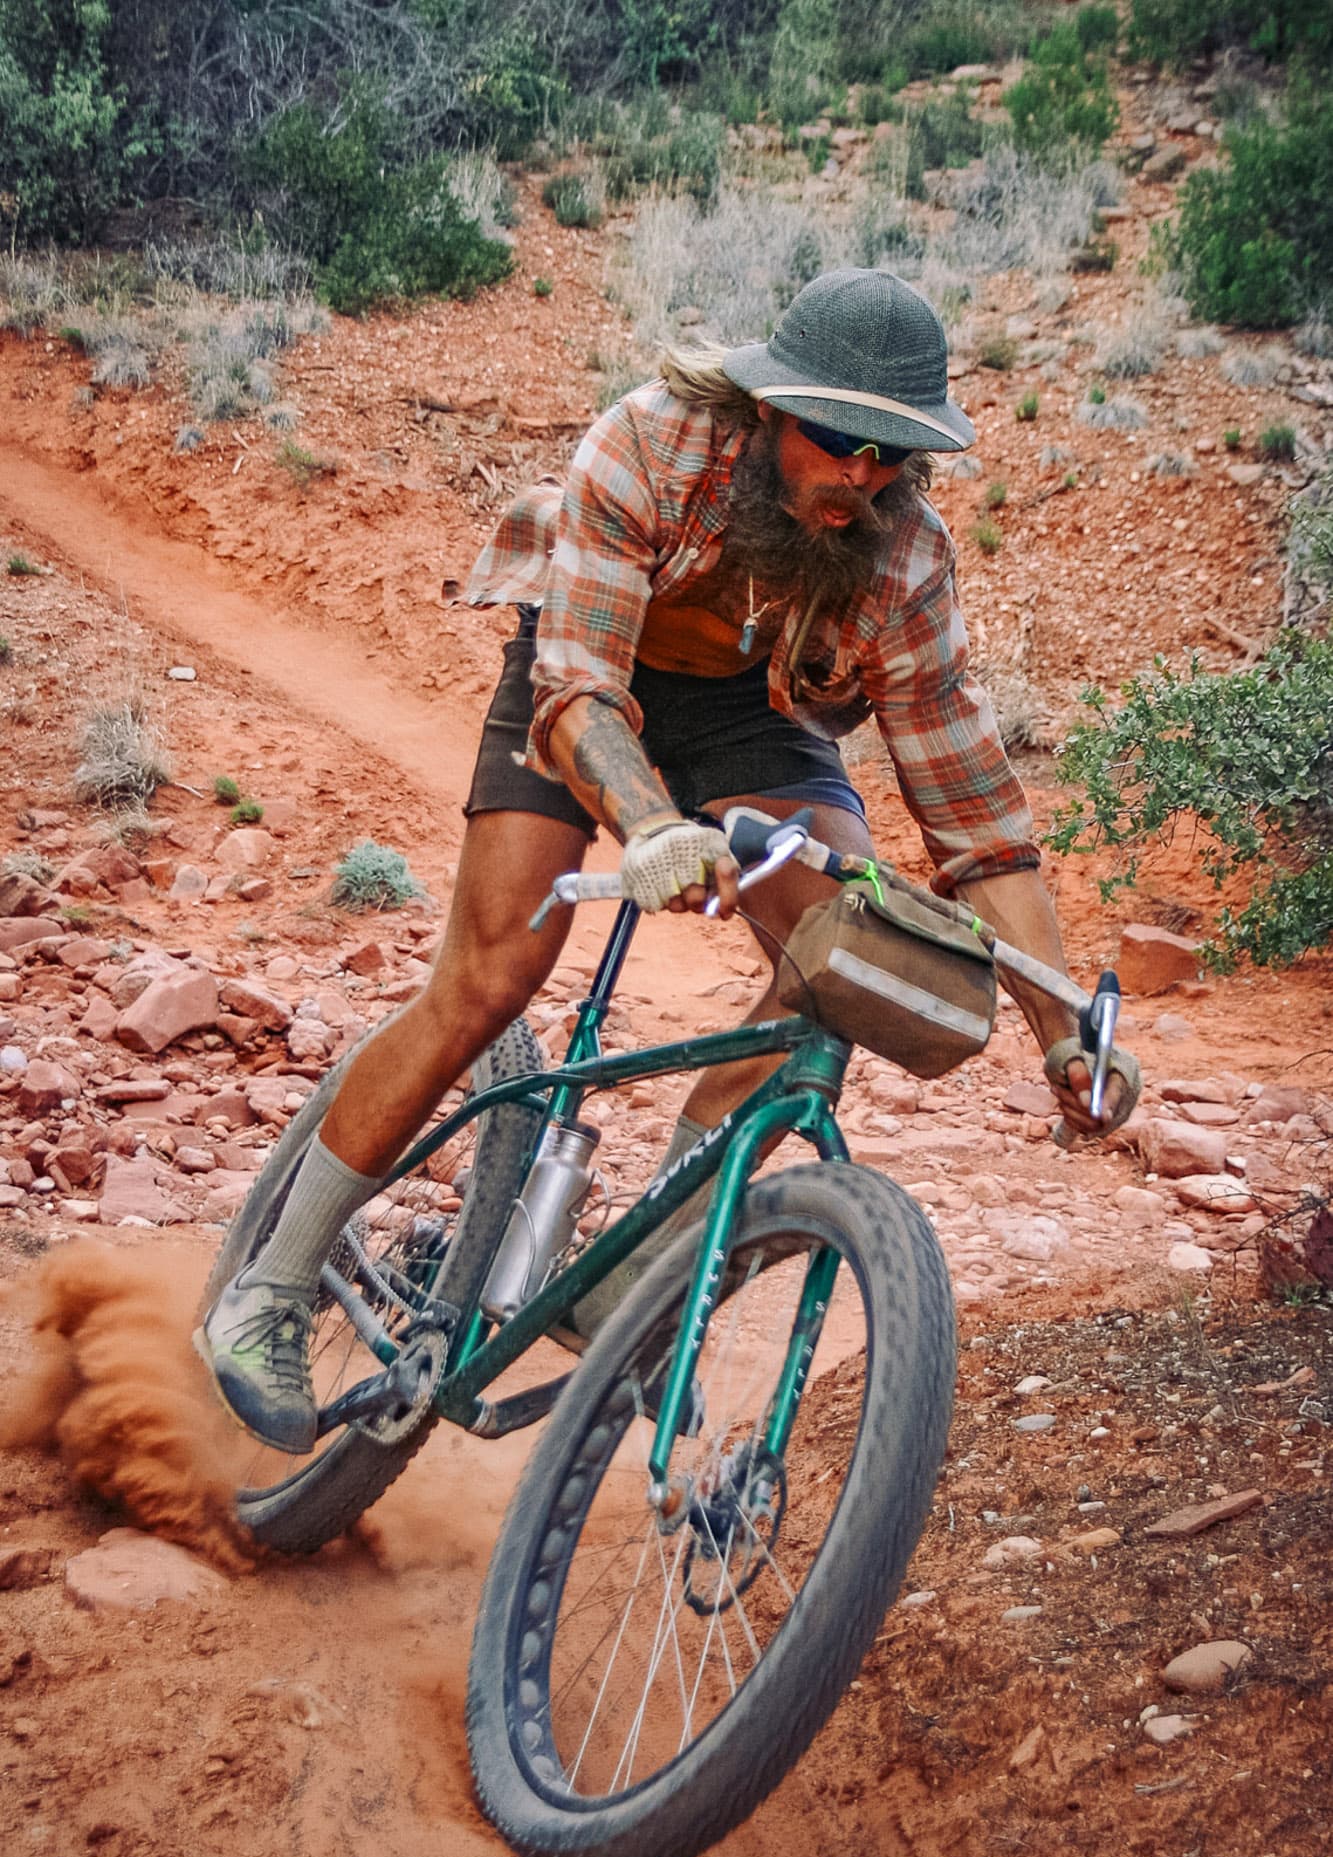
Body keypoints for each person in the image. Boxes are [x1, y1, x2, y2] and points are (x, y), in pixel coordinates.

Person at [198, 267, 1140, 1452]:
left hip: (752, 711)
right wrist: (651, 826)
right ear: (768, 410)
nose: (861, 474)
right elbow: (577, 686)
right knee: (493, 978)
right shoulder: (650, 441)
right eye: (836, 438)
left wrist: (1063, 1025)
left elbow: (975, 816)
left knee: (850, 956)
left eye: (891, 453)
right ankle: (271, 1285)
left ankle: (631, 1286)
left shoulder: (905, 554)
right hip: (588, 673)